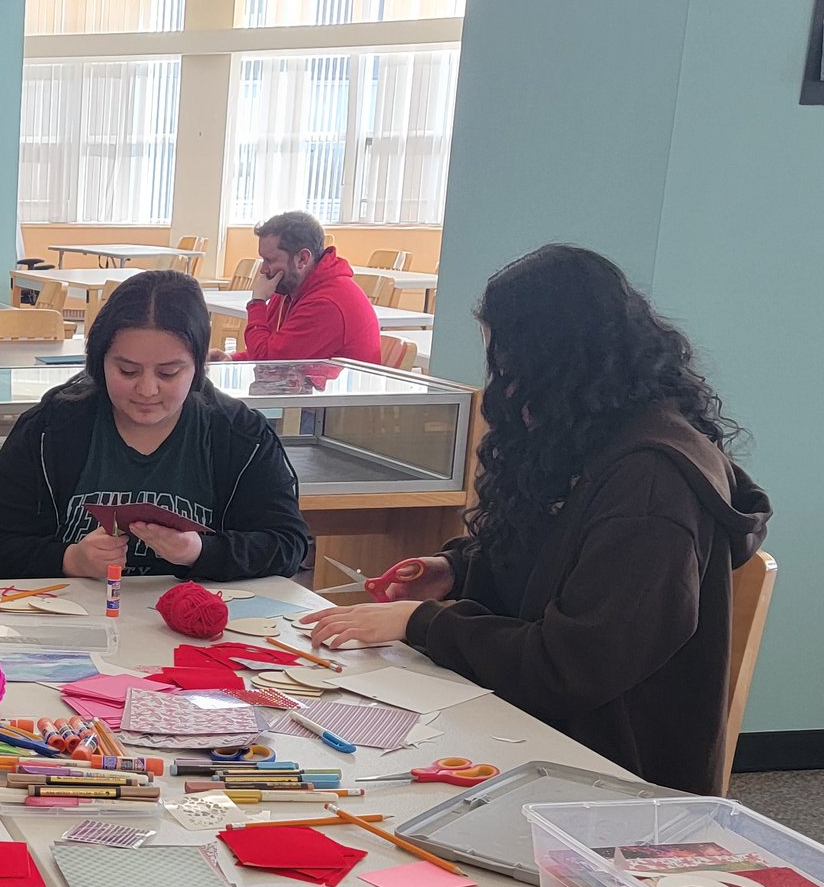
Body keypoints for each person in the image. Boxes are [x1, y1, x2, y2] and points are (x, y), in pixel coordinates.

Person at [304, 245, 771, 793]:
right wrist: (458, 571)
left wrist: (423, 623)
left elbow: (574, 666)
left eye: (508, 365)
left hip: (607, 780)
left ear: (553, 364)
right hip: (544, 733)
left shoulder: (650, 484)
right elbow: (557, 556)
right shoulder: (595, 433)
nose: (503, 384)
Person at [0, 269, 311, 582]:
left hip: (198, 622)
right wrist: (71, 559)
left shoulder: (240, 434)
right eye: (127, 371)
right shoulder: (49, 429)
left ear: (198, 367)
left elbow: (287, 545)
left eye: (169, 373)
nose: (147, 390)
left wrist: (201, 552)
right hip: (74, 620)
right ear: (99, 362)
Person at [238, 209, 382, 364]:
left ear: (302, 259)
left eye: (270, 260)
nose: (263, 270)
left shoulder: (327, 303)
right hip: (301, 378)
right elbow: (276, 349)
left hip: (336, 381)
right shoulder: (288, 289)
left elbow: (269, 363)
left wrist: (257, 303)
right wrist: (233, 359)